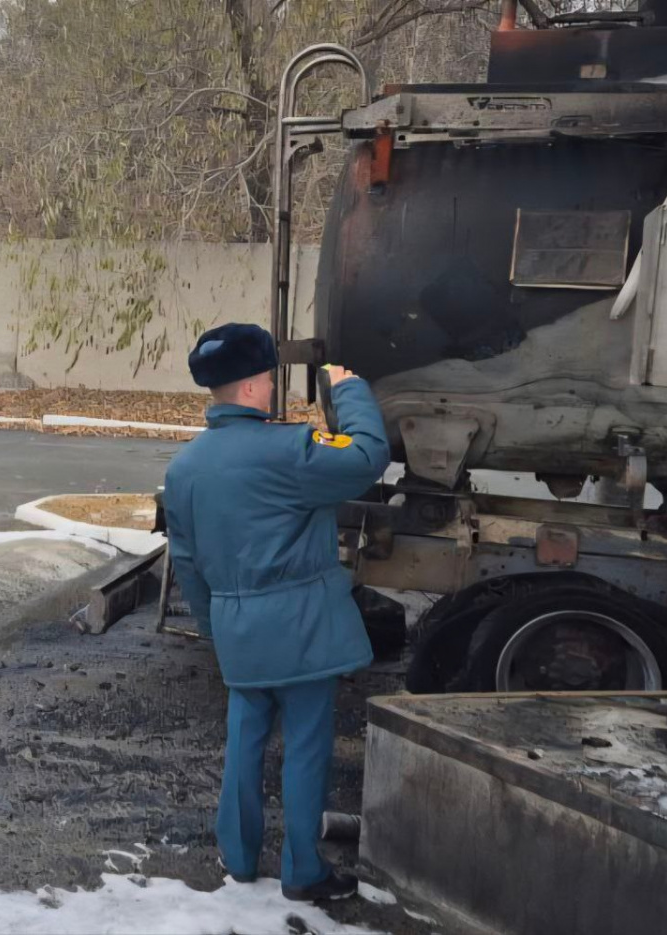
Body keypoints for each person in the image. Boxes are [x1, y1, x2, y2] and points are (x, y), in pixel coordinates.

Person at [162, 322, 390, 902]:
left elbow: (187, 563)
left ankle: (238, 859)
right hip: (304, 630)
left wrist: (217, 629)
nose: (272, 390)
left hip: (238, 628)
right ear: (247, 388)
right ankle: (302, 872)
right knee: (307, 747)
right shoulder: (289, 448)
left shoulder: (183, 470)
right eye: (267, 380)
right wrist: (351, 391)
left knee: (244, 741)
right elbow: (368, 458)